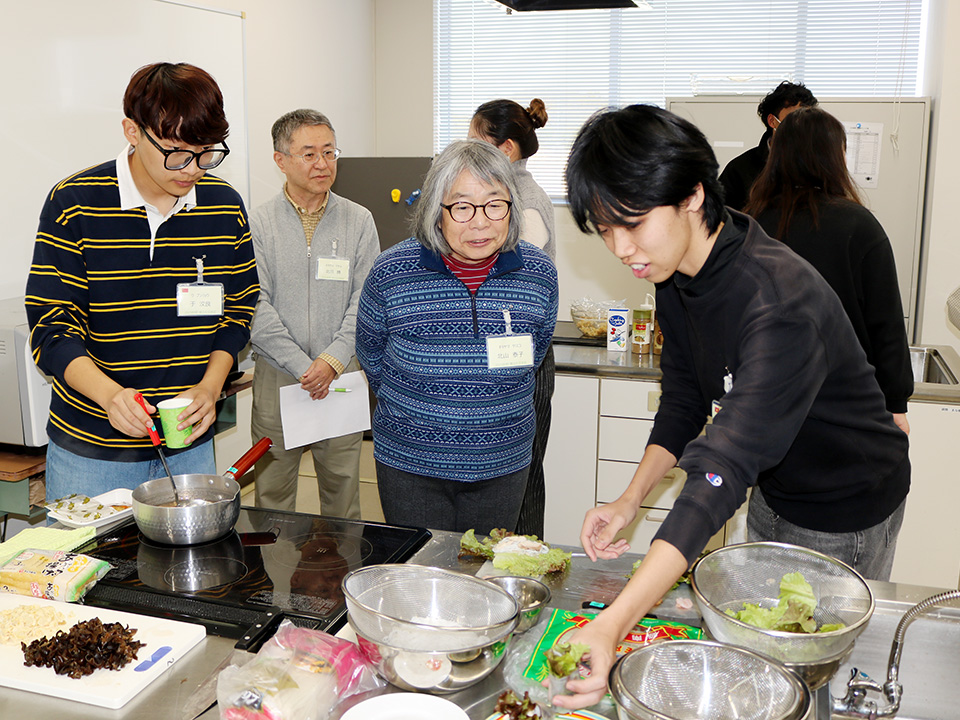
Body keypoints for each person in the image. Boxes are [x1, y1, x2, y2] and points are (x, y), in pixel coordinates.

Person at [552, 105, 910, 710]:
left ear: (693, 195)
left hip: (845, 502)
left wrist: (613, 623)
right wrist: (629, 499)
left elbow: (720, 473)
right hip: (779, 485)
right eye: (605, 230)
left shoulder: (776, 299)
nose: (621, 248)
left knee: (804, 676)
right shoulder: (675, 274)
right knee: (765, 655)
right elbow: (687, 396)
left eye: (633, 224)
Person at [25, 62, 259, 501]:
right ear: (132, 131)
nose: (192, 169)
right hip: (91, 452)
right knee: (91, 568)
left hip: (188, 444)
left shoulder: (223, 206)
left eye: (206, 151)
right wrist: (111, 397)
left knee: (188, 565)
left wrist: (211, 387)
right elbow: (51, 327)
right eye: (177, 152)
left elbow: (239, 308)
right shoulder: (75, 203)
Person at [356, 139, 558, 535]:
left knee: (483, 577)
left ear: (512, 208)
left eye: (494, 204)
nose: (480, 222)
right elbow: (371, 353)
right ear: (437, 210)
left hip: (503, 463)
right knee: (419, 577)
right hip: (410, 464)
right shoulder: (392, 271)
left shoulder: (538, 274)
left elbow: (535, 355)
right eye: (462, 206)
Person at [745, 106, 913, 432]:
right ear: (835, 157)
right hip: (846, 400)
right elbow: (886, 324)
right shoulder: (859, 225)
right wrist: (896, 405)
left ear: (777, 156)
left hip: (768, 398)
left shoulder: (752, 224)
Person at [248, 109, 379, 519]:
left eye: (329, 152)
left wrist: (332, 360)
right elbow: (254, 303)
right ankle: (270, 582)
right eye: (309, 154)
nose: (323, 164)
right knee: (272, 494)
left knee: (343, 494)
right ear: (280, 159)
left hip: (340, 375)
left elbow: (368, 300)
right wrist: (305, 366)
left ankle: (342, 577)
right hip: (278, 376)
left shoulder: (358, 220)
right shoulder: (257, 222)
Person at [468, 98, 557, 537]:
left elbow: (524, 293)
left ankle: (521, 572)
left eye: (475, 142)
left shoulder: (526, 203)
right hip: (502, 352)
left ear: (505, 150)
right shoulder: (503, 195)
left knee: (523, 472)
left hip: (523, 355)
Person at [719, 81, 818, 211]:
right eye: (794, 118)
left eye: (807, 119)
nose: (802, 125)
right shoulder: (739, 169)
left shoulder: (818, 164)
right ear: (772, 121)